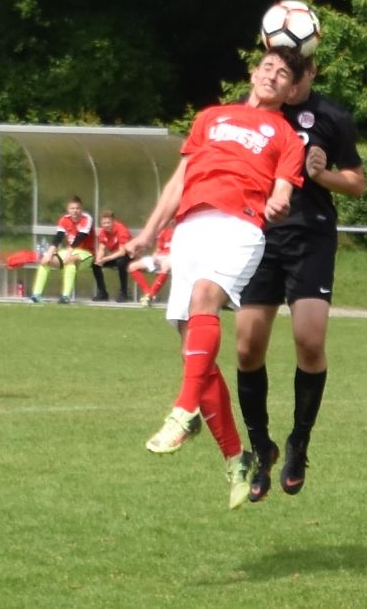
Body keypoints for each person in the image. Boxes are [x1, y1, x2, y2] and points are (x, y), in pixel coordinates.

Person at [125, 46, 308, 510]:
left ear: (291, 90)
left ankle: (184, 411)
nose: (272, 75)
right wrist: (149, 232)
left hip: (240, 224)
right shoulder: (210, 117)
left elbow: (283, 188)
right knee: (195, 353)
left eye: (283, 74)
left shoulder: (287, 135)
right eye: (268, 67)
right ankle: (235, 457)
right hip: (190, 228)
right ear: (253, 72)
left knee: (205, 298)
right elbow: (179, 180)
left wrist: (279, 202)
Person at [235, 52, 365, 502]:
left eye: (295, 73)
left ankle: (298, 443)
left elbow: (357, 183)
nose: (284, 82)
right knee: (247, 347)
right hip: (258, 233)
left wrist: (322, 174)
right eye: (276, 70)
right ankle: (261, 447)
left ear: (310, 73)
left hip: (310, 235)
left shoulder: (331, 116)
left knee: (309, 342)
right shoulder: (249, 110)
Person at [30, 195, 95, 304]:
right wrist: (48, 254)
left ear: (81, 209)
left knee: (70, 260)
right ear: (68, 209)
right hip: (70, 251)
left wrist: (69, 253)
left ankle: (65, 296)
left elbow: (81, 237)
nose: (75, 211)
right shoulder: (64, 219)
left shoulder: (87, 218)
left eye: (77, 208)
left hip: (86, 253)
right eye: (72, 208)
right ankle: (36, 295)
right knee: (46, 261)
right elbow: (58, 238)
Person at [129, 221, 174, 306]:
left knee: (165, 265)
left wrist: (167, 257)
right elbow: (158, 249)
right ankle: (148, 293)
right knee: (132, 266)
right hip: (160, 257)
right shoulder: (165, 231)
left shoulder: (182, 233)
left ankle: (150, 296)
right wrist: (155, 255)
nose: (172, 221)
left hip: (174, 257)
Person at [91, 209, 132, 302]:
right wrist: (99, 259)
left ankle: (124, 293)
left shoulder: (121, 230)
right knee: (95, 264)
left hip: (128, 255)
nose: (106, 225)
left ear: (113, 221)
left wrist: (105, 259)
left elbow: (122, 252)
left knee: (121, 262)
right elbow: (102, 248)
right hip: (114, 256)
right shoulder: (103, 231)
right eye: (104, 223)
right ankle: (102, 293)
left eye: (108, 223)